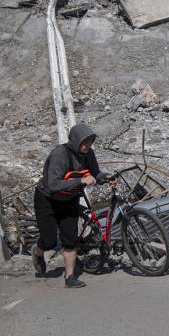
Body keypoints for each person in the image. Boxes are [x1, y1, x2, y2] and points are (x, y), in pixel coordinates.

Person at [32, 123, 111, 288]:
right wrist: (81, 180)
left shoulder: (88, 154)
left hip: (70, 200)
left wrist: (107, 178)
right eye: (85, 142)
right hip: (47, 200)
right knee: (49, 241)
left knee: (70, 238)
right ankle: (38, 253)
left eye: (90, 141)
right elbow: (53, 184)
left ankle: (70, 277)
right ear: (75, 141)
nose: (88, 145)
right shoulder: (59, 155)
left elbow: (95, 173)